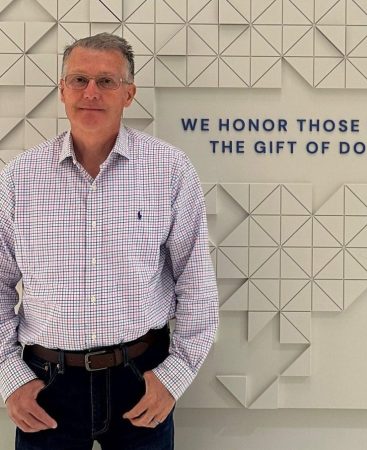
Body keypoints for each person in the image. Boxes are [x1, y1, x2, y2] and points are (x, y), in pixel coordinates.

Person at [0, 33, 219, 449]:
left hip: (140, 379)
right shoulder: (18, 179)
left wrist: (174, 376)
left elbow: (196, 282)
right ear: (62, 90)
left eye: (107, 81)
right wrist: (10, 377)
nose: (91, 93)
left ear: (129, 93)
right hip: (46, 387)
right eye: (79, 79)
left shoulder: (169, 170)